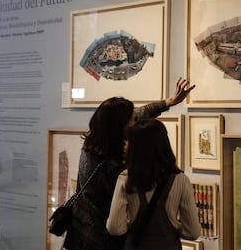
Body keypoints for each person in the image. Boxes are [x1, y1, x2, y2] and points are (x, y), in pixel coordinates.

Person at [62, 78, 195, 250]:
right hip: (99, 241)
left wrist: (169, 102)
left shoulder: (94, 142)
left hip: (81, 234)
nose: (135, 122)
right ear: (120, 126)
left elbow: (140, 113)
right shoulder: (111, 168)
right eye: (132, 120)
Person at [106, 118, 201, 250]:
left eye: (129, 141)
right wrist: (173, 224)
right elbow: (193, 232)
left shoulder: (126, 178)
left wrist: (131, 224)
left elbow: (115, 228)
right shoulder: (181, 180)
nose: (125, 144)